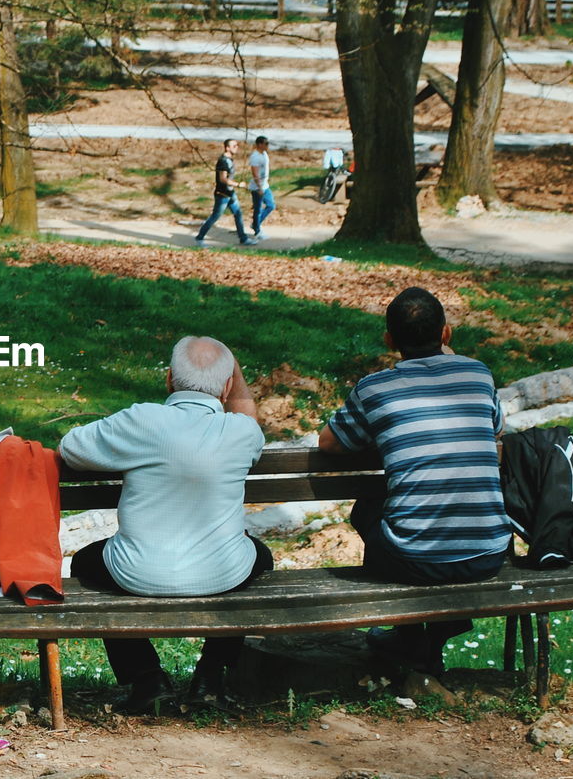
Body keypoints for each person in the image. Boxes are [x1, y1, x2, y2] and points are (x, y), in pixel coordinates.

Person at [60, 336, 271, 713]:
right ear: (226, 387)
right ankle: (210, 678)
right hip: (224, 574)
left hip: (136, 573)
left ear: (169, 379)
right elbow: (245, 417)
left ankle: (147, 681)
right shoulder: (242, 432)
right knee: (261, 557)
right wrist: (233, 375)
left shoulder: (141, 420)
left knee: (84, 563)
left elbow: (70, 448)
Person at [317, 287, 510, 676]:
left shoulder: (374, 388)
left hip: (414, 561)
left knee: (369, 509)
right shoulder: (478, 373)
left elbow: (329, 443)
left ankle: (409, 637)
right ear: (447, 333)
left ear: (389, 340)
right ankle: (429, 640)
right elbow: (497, 428)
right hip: (488, 553)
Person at [195, 139, 255, 247]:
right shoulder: (223, 161)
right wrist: (238, 184)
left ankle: (243, 239)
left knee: (238, 214)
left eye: (237, 145)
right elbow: (222, 179)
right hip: (222, 195)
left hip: (230, 193)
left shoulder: (229, 160)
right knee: (215, 216)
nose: (237, 147)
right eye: (234, 146)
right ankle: (199, 238)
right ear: (227, 148)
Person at [248, 136, 276, 240]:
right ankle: (257, 231)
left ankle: (256, 223)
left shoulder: (264, 154)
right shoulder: (255, 156)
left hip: (265, 185)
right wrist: (259, 187)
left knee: (271, 205)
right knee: (258, 209)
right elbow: (255, 172)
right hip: (257, 187)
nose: (267, 146)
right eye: (266, 144)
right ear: (260, 144)